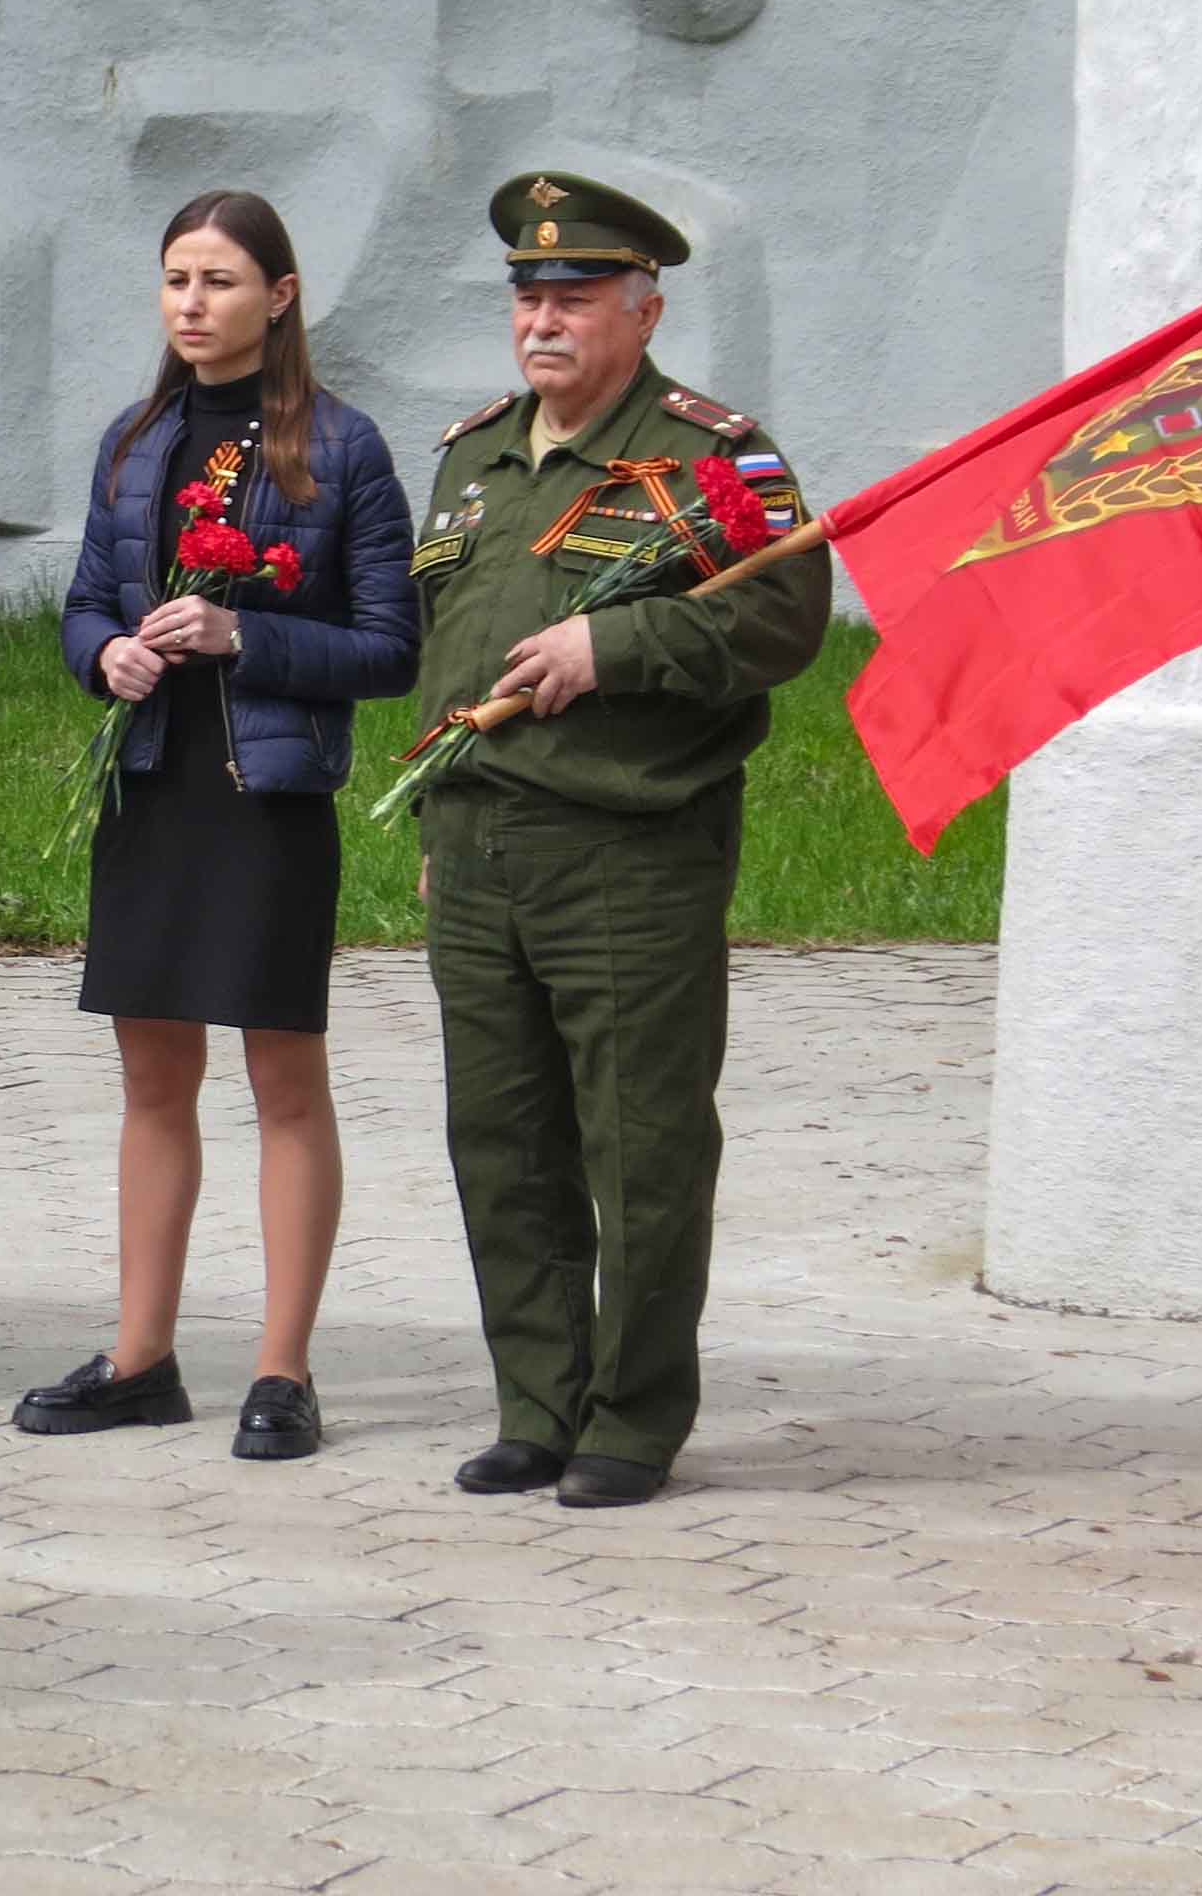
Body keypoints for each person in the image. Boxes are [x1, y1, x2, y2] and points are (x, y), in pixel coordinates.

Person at [410, 170, 824, 1509]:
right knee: (504, 1141)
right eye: (528, 296)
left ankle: (632, 1423)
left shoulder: (718, 456)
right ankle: (537, 1403)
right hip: (478, 855)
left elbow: (783, 623)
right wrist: (434, 811)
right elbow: (444, 648)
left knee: (638, 1149)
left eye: (574, 298)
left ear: (643, 311)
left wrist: (620, 641)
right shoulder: (472, 454)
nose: (543, 321)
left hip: (628, 856)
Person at [18, 192, 419, 1458]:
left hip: (267, 794)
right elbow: (82, 601)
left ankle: (282, 1371)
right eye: (176, 280)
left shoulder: (340, 450)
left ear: (281, 298)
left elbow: (389, 647)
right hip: (152, 782)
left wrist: (247, 634)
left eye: (220, 282)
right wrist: (107, 660)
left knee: (282, 1075)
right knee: (151, 1077)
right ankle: (141, 1357)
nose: (192, 304)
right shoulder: (133, 441)